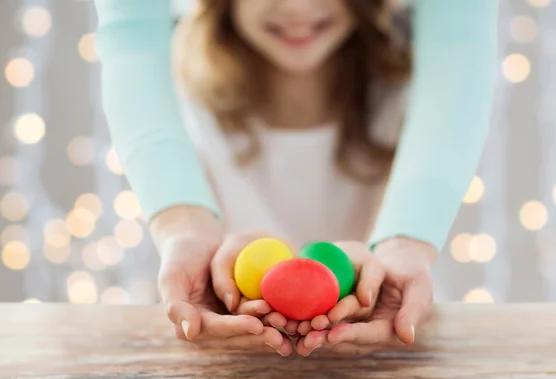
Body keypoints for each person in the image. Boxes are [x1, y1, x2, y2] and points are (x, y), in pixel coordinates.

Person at [93, 0, 498, 357]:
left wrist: (404, 247)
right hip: (228, 368)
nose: (295, 6)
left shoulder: (408, 108)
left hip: (380, 367)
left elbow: (461, 31)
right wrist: (185, 233)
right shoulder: (185, 115)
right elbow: (129, 32)